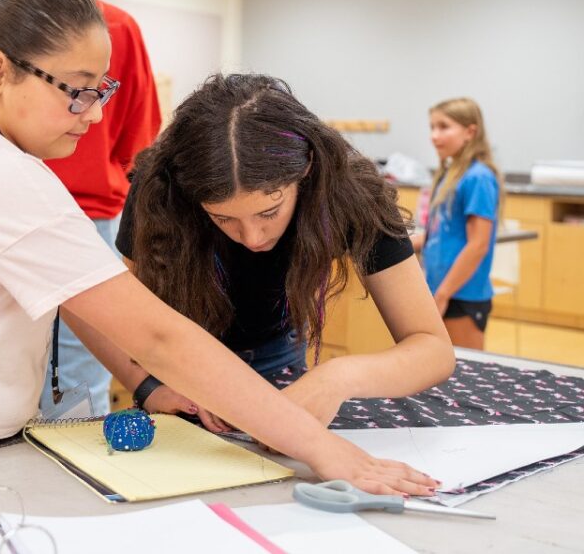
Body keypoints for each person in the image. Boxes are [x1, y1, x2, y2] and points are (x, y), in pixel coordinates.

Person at [0, 0, 439, 497]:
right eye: (79, 91)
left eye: (102, 88)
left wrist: (148, 387)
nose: (98, 113)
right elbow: (158, 334)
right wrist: (325, 453)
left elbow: (79, 288)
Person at [88, 74, 455, 432]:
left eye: (269, 212)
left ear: (306, 169)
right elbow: (115, 317)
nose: (251, 237)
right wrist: (148, 387)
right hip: (176, 365)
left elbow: (433, 349)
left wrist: (337, 377)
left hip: (277, 355)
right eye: (222, 218)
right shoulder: (160, 188)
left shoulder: (353, 194)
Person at [5, 0, 162, 415]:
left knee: (3, 368)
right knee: (81, 383)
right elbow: (141, 140)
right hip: (91, 220)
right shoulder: (116, 27)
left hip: (10, 217)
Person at [412, 98, 501, 350]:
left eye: (443, 127)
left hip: (461, 295)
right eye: (432, 127)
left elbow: (478, 245)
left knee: (467, 377)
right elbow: (440, 234)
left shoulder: (479, 178)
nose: (434, 135)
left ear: (470, 132)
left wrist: (442, 295)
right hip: (441, 289)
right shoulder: (450, 175)